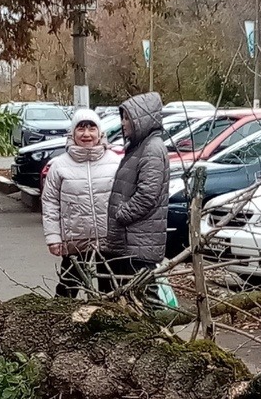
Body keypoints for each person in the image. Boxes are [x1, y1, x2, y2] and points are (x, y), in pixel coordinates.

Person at [42, 108, 119, 298]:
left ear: (100, 133)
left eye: (92, 128)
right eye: (81, 128)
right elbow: (50, 202)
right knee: (68, 289)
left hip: (110, 240)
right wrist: (53, 238)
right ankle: (58, 324)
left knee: (110, 291)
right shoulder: (59, 165)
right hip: (75, 240)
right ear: (72, 133)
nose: (86, 134)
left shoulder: (115, 162)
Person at [105, 92, 170, 300]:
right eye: (122, 117)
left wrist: (122, 214)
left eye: (127, 118)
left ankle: (158, 332)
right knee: (131, 299)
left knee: (145, 300)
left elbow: (147, 194)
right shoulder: (139, 147)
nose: (123, 123)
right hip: (132, 241)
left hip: (139, 243)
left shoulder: (151, 149)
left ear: (141, 118)